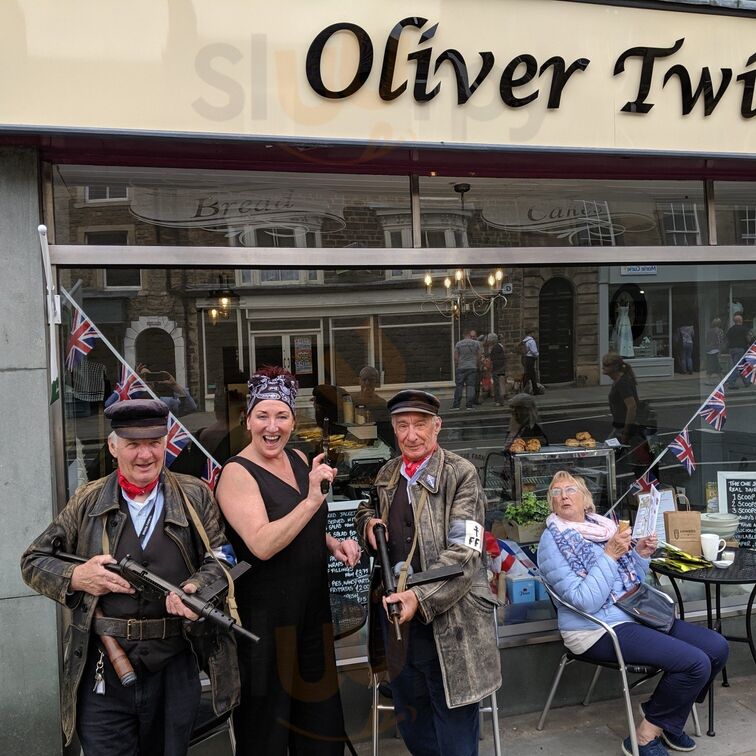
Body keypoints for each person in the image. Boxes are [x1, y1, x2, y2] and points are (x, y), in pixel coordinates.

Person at [20, 398, 239, 755]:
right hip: (104, 668)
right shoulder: (87, 500)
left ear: (166, 442)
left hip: (173, 663)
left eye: (154, 443)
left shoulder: (195, 494)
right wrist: (78, 576)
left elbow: (222, 556)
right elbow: (33, 561)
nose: (145, 455)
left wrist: (197, 588)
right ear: (113, 446)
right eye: (133, 444)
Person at [216, 367, 361, 755]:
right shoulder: (236, 473)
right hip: (266, 625)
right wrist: (313, 499)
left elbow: (300, 524)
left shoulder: (298, 458)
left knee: (320, 728)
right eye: (262, 415)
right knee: (268, 731)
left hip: (312, 613)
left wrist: (331, 543)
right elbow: (262, 544)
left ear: (294, 421)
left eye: (281, 416)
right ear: (247, 420)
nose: (272, 426)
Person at [538, 470, 729, 756]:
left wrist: (639, 554)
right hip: (594, 628)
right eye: (556, 492)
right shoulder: (553, 541)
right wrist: (610, 556)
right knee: (695, 663)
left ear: (586, 499)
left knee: (716, 647)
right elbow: (585, 602)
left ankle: (663, 715)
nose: (563, 496)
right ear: (552, 503)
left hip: (634, 612)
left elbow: (632, 583)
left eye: (571, 490)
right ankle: (643, 737)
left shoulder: (603, 527)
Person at [354, 390, 501, 756]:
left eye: (420, 425)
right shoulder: (387, 474)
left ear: (437, 426)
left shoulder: (461, 474)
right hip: (399, 627)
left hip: (453, 625)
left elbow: (464, 554)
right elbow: (366, 509)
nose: (411, 435)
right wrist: (367, 524)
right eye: (402, 426)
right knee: (414, 725)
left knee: (455, 736)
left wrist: (417, 597)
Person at [602, 353, 652, 486]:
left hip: (625, 429)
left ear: (615, 367)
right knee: (616, 461)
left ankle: (617, 490)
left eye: (606, 365)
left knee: (615, 460)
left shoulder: (622, 383)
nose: (603, 367)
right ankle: (619, 489)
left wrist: (626, 431)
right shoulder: (618, 382)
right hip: (620, 427)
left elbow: (632, 406)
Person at [452, 329, 482, 409]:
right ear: (469, 334)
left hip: (461, 367)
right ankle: (469, 405)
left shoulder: (458, 344)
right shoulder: (476, 343)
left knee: (459, 386)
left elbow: (456, 357)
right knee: (471, 386)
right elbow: (479, 355)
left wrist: (457, 365)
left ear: (463, 335)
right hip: (472, 367)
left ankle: (456, 405)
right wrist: (477, 364)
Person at [725, 313, 752, 389]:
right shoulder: (744, 328)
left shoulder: (731, 329)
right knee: (737, 367)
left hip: (732, 349)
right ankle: (731, 383)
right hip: (740, 349)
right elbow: (748, 339)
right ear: (740, 320)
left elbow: (727, 340)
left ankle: (746, 382)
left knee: (740, 365)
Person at [521, 327, 544, 395]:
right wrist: (537, 354)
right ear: (530, 333)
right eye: (533, 333)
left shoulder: (524, 341)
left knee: (531, 375)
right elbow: (534, 351)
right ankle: (525, 390)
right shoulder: (531, 341)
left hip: (525, 358)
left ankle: (535, 389)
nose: (534, 334)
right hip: (530, 359)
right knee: (529, 375)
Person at [487, 333, 507, 406]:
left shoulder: (495, 348)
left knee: (497, 385)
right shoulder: (499, 346)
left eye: (489, 339)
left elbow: (494, 359)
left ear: (492, 340)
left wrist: (491, 366)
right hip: (501, 367)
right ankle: (501, 400)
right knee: (500, 384)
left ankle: (498, 400)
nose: (488, 341)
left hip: (497, 368)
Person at [704, 317, 724, 384]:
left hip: (709, 350)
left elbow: (707, 341)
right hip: (716, 350)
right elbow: (720, 342)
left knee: (714, 366)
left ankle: (721, 379)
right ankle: (720, 380)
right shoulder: (720, 331)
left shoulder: (709, 331)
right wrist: (720, 351)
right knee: (715, 366)